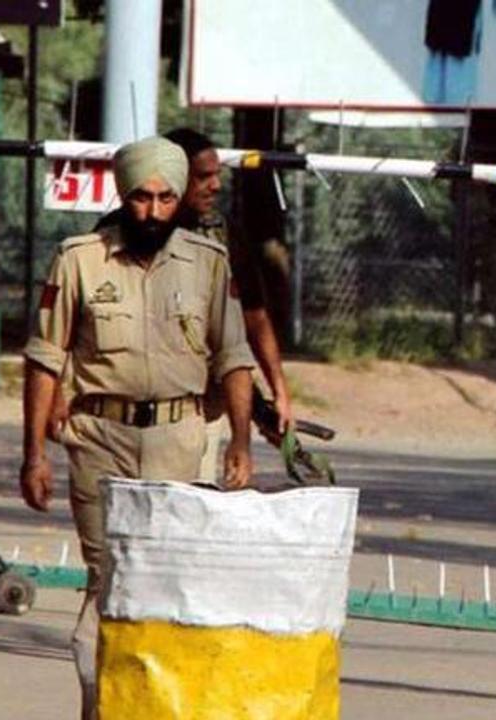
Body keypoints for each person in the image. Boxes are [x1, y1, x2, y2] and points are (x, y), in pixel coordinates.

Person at [19, 136, 257, 719]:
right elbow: (45, 357)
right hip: (102, 441)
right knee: (110, 581)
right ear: (124, 195)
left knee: (170, 586)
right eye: (142, 197)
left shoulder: (208, 263)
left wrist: (244, 444)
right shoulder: (80, 259)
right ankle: (99, 705)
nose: (153, 210)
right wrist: (32, 455)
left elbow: (233, 357)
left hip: (181, 441)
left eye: (165, 198)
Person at [49, 127, 293, 479]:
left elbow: (251, 321)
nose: (215, 186)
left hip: (191, 414)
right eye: (204, 177)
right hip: (111, 423)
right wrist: (57, 394)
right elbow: (63, 330)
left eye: (217, 175)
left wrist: (277, 393)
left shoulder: (219, 240)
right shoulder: (111, 237)